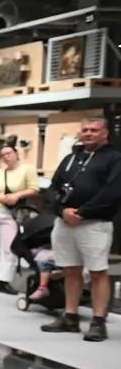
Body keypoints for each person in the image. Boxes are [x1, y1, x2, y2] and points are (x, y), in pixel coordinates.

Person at [40, 117, 121, 341]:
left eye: (94, 130)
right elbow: (53, 187)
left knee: (97, 272)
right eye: (85, 130)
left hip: (95, 224)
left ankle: (98, 322)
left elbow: (112, 192)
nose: (88, 133)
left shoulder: (114, 159)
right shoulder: (71, 158)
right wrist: (62, 210)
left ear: (105, 133)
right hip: (64, 222)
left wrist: (83, 212)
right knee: (71, 270)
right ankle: (70, 316)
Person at [0, 143, 39, 293]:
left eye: (9, 153)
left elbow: (34, 189)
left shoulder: (27, 169)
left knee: (9, 247)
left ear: (16, 153)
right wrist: (2, 198)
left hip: (11, 213)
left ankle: (4, 280)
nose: (6, 157)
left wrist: (17, 195)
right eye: (3, 155)